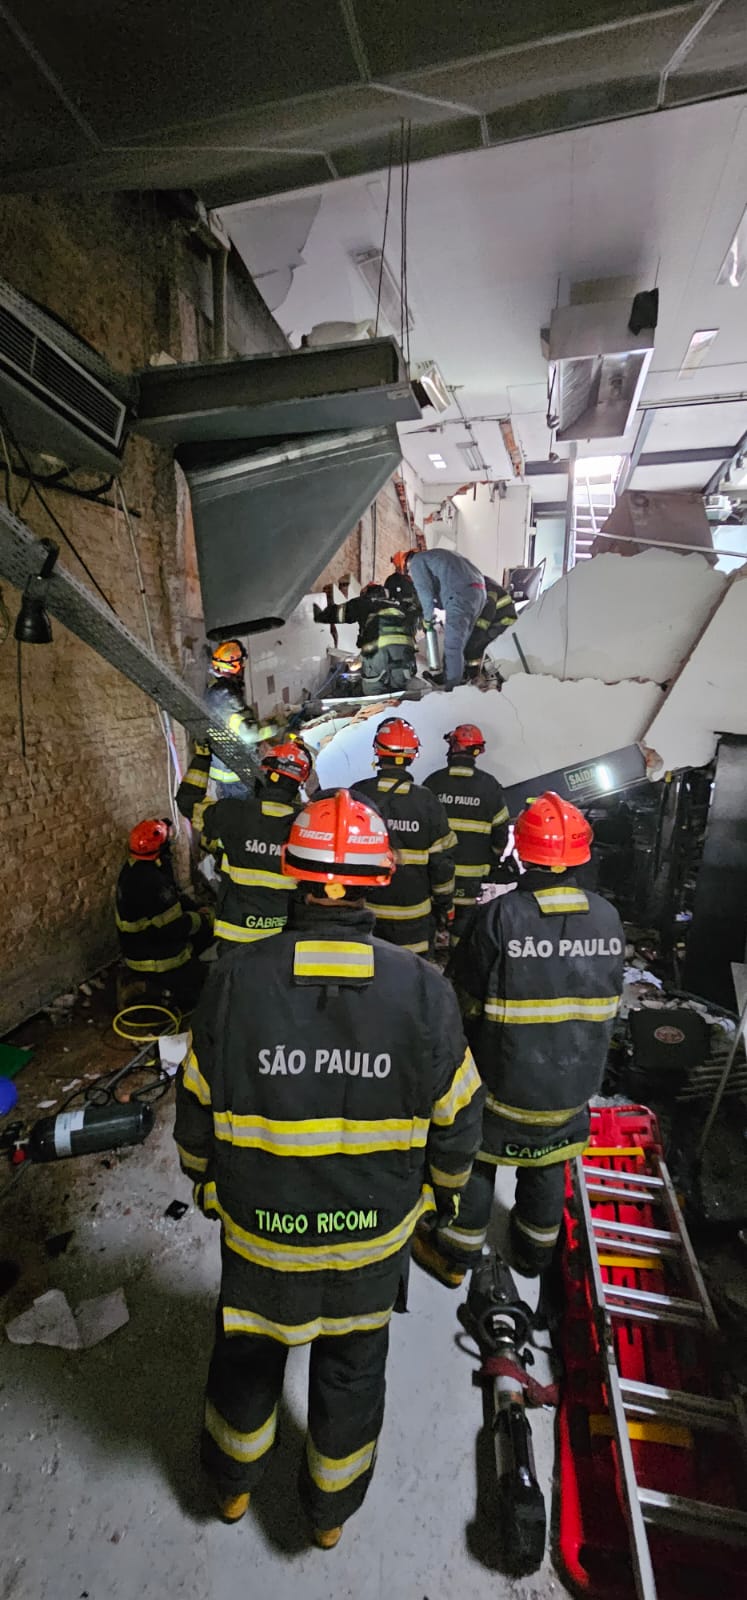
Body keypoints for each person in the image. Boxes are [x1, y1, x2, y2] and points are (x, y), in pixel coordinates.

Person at [174, 788, 484, 1542]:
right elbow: (458, 1121)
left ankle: (232, 1490)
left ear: (291, 873)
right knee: (351, 1367)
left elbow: (194, 1117)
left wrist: (207, 1185)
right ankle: (327, 1519)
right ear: (379, 877)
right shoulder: (424, 991)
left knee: (247, 1353)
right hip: (371, 1237)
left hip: (262, 1232)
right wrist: (442, 1201)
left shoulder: (237, 980)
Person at [412, 792, 624, 1287]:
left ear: (522, 853)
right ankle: (533, 1255)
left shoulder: (501, 917)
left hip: (504, 1087)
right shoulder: (608, 918)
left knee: (480, 1162)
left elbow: (462, 1001)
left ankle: (455, 1255)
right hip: (573, 1087)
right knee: (548, 1164)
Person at [355, 716, 456, 956]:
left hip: (366, 913)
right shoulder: (426, 801)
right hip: (414, 919)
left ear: (377, 752)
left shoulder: (359, 794)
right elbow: (441, 864)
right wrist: (446, 906)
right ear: (411, 755)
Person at [196, 740, 312, 947]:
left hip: (235, 935)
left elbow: (188, 801)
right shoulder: (308, 823)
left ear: (265, 773)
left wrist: (201, 758)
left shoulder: (231, 813)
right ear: (300, 782)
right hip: (284, 937)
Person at [423, 724, 509, 945]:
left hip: (435, 873)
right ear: (477, 751)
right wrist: (493, 858)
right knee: (465, 924)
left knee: (433, 917)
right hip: (472, 874)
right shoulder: (490, 786)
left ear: (452, 747)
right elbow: (501, 832)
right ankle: (458, 965)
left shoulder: (433, 783)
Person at [115, 818, 213, 992]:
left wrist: (196, 908)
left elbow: (175, 896)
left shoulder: (137, 868)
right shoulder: (154, 882)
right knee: (206, 986)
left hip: (139, 948)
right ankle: (148, 988)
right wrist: (203, 919)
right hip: (154, 960)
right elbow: (173, 928)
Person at [181, 640, 279, 807]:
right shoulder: (227, 695)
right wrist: (275, 726)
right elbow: (249, 735)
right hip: (235, 771)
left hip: (222, 769)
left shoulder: (213, 691)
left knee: (230, 811)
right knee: (245, 815)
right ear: (236, 666)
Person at [392, 548, 486, 689]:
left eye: (407, 573)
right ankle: (450, 676)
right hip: (479, 594)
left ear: (406, 565)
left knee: (453, 644)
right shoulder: (437, 555)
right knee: (460, 642)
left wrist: (428, 618)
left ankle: (452, 687)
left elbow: (425, 592)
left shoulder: (417, 562)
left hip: (460, 595)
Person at [313, 582, 416, 695]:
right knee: (399, 689)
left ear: (366, 593)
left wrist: (319, 615)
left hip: (377, 652)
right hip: (405, 653)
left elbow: (340, 614)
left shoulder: (364, 602)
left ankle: (375, 710)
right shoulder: (399, 606)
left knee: (374, 690)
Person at [463, 575, 517, 680]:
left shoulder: (487, 588)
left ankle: (474, 676)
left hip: (504, 624)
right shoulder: (475, 584)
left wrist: (475, 635)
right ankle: (468, 672)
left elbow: (486, 615)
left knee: (475, 645)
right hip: (495, 621)